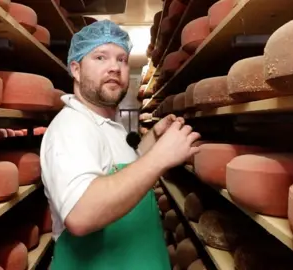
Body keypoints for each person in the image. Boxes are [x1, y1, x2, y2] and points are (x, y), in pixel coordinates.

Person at [40, 20, 201, 270]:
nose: (115, 67)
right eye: (101, 57)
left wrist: (151, 143)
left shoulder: (105, 124)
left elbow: (116, 172)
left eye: (122, 59)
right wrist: (159, 157)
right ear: (76, 69)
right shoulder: (70, 127)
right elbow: (81, 214)